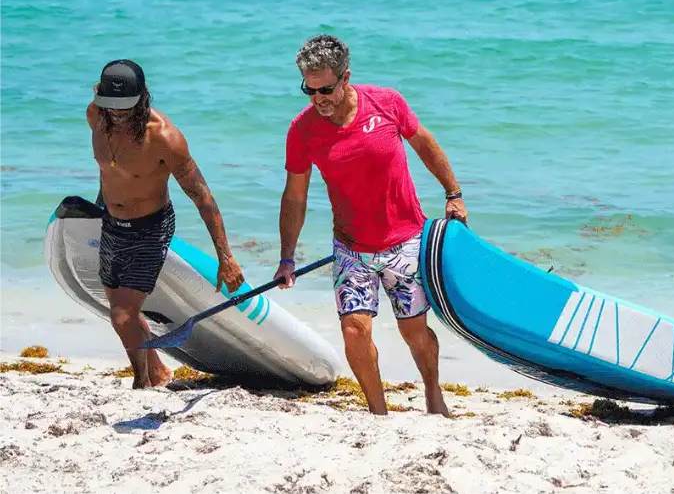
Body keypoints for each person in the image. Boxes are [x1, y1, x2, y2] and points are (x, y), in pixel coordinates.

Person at [274, 35, 468, 416]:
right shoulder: (302, 130)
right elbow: (295, 196)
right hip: (351, 248)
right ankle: (378, 413)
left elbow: (425, 144)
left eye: (325, 90)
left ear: (345, 77)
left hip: (406, 241)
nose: (318, 99)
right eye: (309, 91)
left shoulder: (387, 103)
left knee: (414, 332)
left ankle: (433, 394)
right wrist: (286, 257)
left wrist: (453, 193)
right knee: (354, 331)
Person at [88, 59, 245, 389]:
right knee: (123, 312)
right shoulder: (95, 116)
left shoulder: (164, 138)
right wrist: (99, 207)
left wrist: (226, 257)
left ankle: (141, 381)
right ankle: (158, 372)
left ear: (143, 97)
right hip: (112, 224)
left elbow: (202, 196)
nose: (117, 112)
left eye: (125, 106)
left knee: (122, 315)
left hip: (151, 227)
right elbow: (109, 171)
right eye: (111, 104)